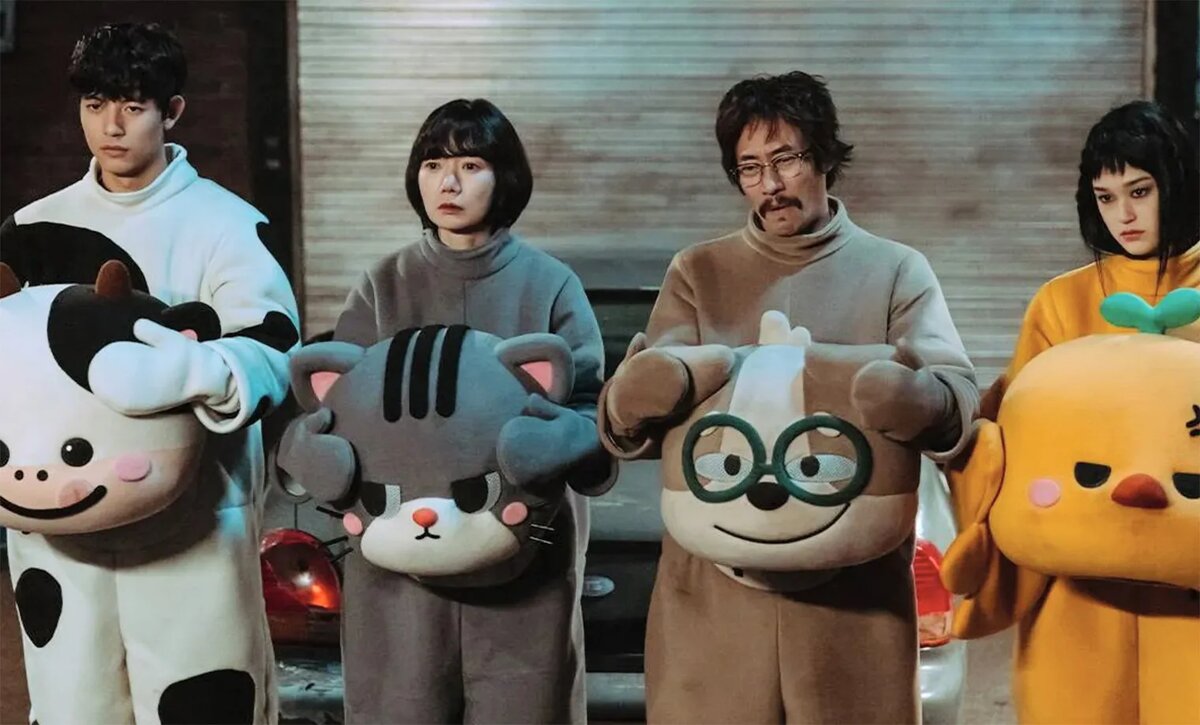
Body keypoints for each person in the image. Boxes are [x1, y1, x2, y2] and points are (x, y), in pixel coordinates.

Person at [598, 71, 978, 722]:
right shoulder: (697, 272)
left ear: (824, 156)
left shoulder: (895, 269)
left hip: (853, 607)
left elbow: (958, 404)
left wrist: (918, 399)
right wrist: (633, 396)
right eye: (750, 168)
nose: (770, 184)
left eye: (786, 160)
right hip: (711, 604)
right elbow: (630, 424)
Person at [0, 22, 298, 724]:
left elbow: (274, 346)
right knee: (73, 702)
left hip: (193, 517)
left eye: (133, 106)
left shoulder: (225, 224)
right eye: (96, 104)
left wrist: (196, 371)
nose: (112, 126)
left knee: (204, 701)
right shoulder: (31, 229)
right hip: (58, 519)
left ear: (173, 111)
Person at [279, 98, 611, 723]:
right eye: (433, 165)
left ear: (505, 177)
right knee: (400, 705)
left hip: (521, 558)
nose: (448, 183)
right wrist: (314, 455)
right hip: (397, 569)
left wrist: (563, 441)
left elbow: (592, 408)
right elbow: (335, 409)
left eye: (470, 165)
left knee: (525, 706)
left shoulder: (549, 283)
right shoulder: (384, 282)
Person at [947, 99, 1200, 723]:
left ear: (1178, 183)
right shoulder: (1062, 301)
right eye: (1106, 197)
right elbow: (1016, 439)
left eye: (1140, 191)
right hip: (1076, 597)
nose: (1124, 215)